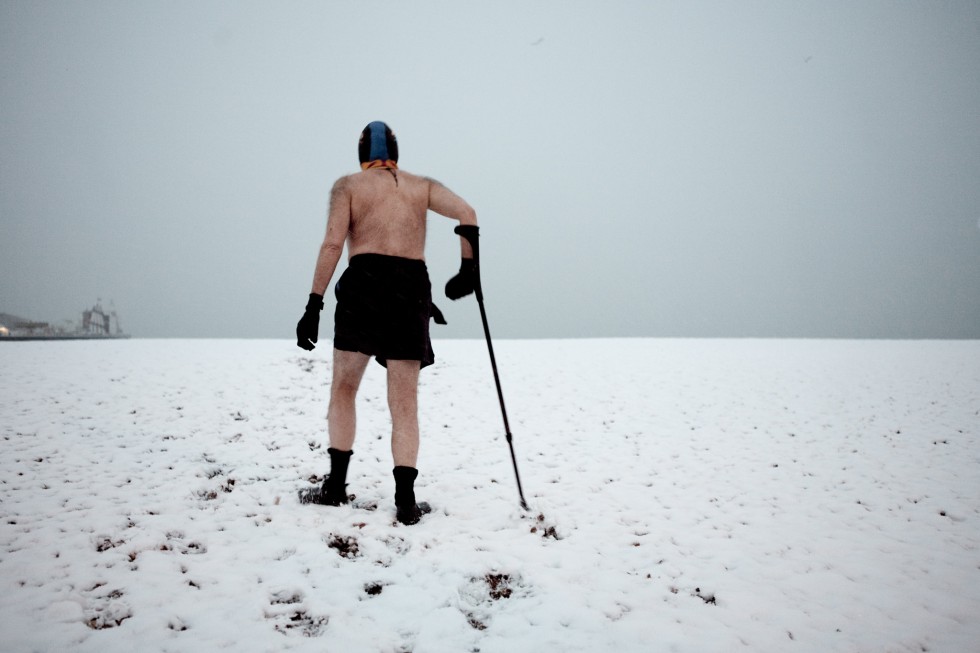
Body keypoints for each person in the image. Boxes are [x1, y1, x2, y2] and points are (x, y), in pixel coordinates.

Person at [296, 121, 479, 525]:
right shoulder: (422, 186)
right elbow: (467, 214)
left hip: (363, 285)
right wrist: (468, 268)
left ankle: (335, 487)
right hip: (410, 289)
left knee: (344, 387)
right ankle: (406, 502)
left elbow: (333, 243)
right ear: (395, 151)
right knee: (404, 402)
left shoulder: (347, 186)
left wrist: (314, 304)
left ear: (362, 153)